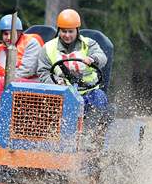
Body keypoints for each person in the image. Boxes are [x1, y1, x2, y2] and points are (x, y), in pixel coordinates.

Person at [37, 9, 110, 145]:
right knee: (43, 106)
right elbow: (43, 72)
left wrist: (92, 59)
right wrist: (56, 82)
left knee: (100, 98)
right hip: (61, 96)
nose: (67, 35)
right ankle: (53, 143)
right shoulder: (48, 48)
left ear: (77, 30)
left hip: (88, 93)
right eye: (64, 31)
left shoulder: (89, 44)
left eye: (70, 31)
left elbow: (102, 57)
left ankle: (94, 142)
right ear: (59, 30)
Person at [0, 14, 43, 123]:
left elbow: (27, 71)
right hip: (9, 84)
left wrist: (1, 80)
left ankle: (3, 124)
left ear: (19, 32)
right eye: (5, 34)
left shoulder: (31, 43)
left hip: (34, 83)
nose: (8, 37)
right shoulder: (0, 50)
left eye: (11, 33)